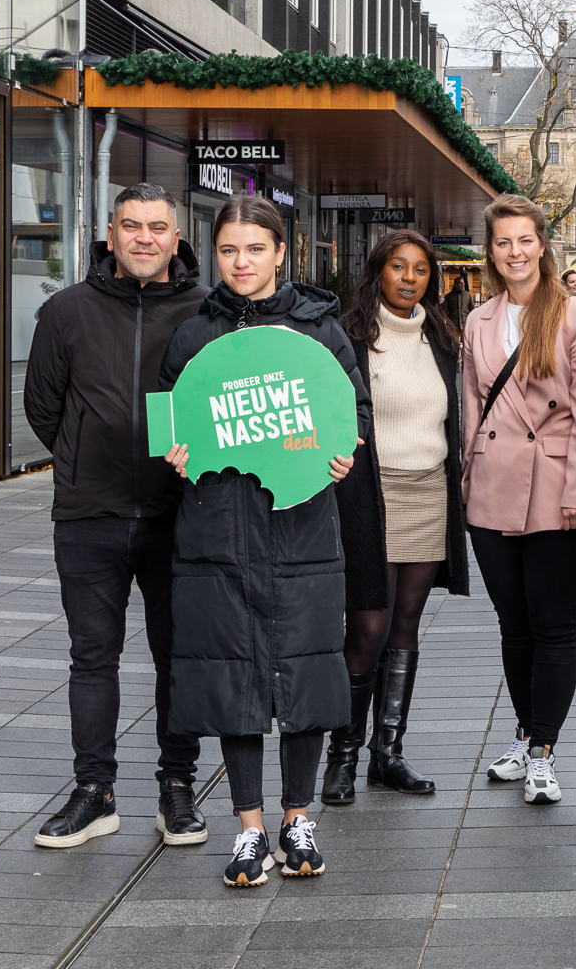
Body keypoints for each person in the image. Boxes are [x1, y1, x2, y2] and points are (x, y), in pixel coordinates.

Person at [159, 196, 368, 888]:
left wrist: (346, 452)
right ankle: (249, 830)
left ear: (282, 250)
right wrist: (174, 452)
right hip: (217, 534)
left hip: (301, 528)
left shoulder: (322, 332)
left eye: (255, 248)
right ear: (214, 255)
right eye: (228, 250)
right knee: (232, 676)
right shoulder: (193, 335)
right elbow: (166, 418)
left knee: (305, 669)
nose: (241, 262)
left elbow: (353, 411)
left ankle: (296, 817)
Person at [23, 182, 207, 851]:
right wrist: (82, 459)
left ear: (176, 236)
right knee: (91, 658)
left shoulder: (204, 313)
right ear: (111, 234)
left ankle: (177, 787)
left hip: (177, 516)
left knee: (177, 657)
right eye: (132, 226)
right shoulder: (66, 312)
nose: (144, 238)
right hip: (88, 514)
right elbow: (44, 409)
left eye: (158, 227)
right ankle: (93, 792)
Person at [463, 195, 576, 805]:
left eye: (525, 240)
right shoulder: (478, 319)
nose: (515, 252)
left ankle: (544, 750)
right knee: (512, 624)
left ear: (543, 244)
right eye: (503, 242)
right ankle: (525, 734)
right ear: (491, 251)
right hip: (493, 487)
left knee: (553, 626)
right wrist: (468, 479)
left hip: (556, 489)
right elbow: (473, 406)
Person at [322, 231, 469, 804]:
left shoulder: (442, 337)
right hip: (370, 497)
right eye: (398, 268)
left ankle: (388, 754)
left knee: (405, 624)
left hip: (429, 492)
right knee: (367, 628)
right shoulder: (348, 336)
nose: (409, 278)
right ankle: (342, 756)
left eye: (421, 270)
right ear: (377, 272)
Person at [445, 272, 474, 338]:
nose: (463, 285)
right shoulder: (449, 296)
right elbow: (445, 310)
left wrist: (472, 322)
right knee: (455, 345)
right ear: (456, 284)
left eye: (463, 283)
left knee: (466, 345)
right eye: (461, 283)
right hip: (453, 324)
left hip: (465, 324)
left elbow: (472, 309)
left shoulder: (467, 295)